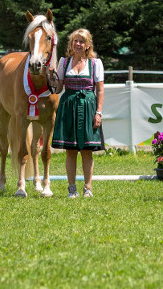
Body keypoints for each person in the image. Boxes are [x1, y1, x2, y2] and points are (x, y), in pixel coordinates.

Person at [51, 29, 105, 198]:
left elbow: (100, 90)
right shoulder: (64, 62)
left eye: (82, 41)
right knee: (71, 150)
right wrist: (51, 76)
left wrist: (99, 113)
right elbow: (58, 88)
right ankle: (72, 189)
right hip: (68, 106)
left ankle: (88, 188)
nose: (78, 44)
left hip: (88, 107)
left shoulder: (95, 63)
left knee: (86, 150)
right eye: (75, 41)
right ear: (71, 43)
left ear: (88, 45)